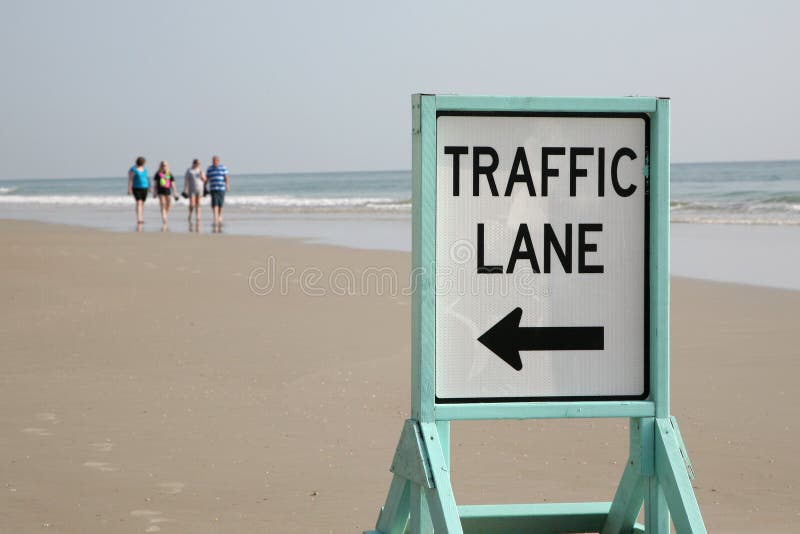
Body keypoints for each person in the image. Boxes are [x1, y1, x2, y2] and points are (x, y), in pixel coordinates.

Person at [153, 161, 179, 226]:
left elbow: (173, 184)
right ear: (161, 166)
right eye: (163, 165)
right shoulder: (158, 174)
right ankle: (164, 218)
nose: (164, 166)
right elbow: (155, 184)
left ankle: (165, 214)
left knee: (169, 204)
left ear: (167, 166)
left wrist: (175, 192)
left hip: (168, 191)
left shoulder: (169, 173)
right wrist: (154, 192)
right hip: (160, 191)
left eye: (165, 165)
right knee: (163, 204)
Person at [206, 155, 229, 225]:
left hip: (221, 188)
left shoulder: (223, 168)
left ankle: (219, 215)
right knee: (214, 203)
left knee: (220, 203)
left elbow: (226, 177)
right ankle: (215, 216)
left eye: (215, 160)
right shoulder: (209, 169)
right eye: (213, 161)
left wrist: (227, 185)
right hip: (213, 188)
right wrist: (204, 186)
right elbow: (207, 178)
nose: (214, 162)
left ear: (218, 161)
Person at [127, 156, 149, 225]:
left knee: (142, 203)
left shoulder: (145, 169)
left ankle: (141, 217)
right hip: (136, 188)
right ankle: (139, 219)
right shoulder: (133, 169)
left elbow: (146, 178)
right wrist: (129, 188)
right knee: (139, 202)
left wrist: (150, 187)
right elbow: (130, 179)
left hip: (145, 187)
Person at [183, 159, 206, 224]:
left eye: (199, 163)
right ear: (194, 163)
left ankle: (198, 216)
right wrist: (185, 189)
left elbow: (204, 180)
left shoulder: (201, 171)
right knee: (192, 204)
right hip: (191, 189)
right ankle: (190, 215)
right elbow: (186, 180)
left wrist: (202, 176)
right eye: (196, 163)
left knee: (198, 203)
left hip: (200, 189)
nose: (198, 164)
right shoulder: (190, 170)